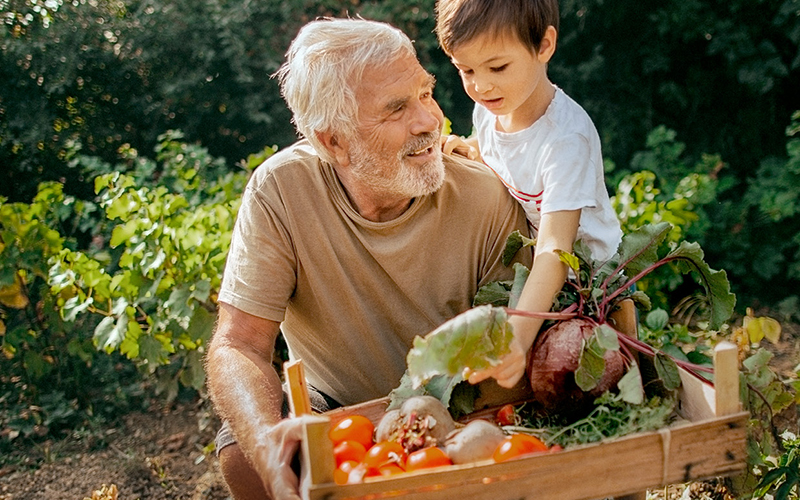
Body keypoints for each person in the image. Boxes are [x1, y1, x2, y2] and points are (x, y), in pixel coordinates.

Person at [204, 17, 532, 500]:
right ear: (332, 141)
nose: (428, 120)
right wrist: (265, 441)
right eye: (397, 108)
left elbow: (507, 359)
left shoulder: (483, 197)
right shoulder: (281, 191)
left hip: (457, 401)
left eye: (425, 93)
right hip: (333, 401)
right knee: (242, 454)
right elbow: (239, 344)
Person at [435, 0, 624, 390]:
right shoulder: (490, 112)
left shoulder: (565, 140)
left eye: (497, 67)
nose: (481, 85)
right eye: (466, 70)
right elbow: (505, 156)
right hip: (544, 276)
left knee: (616, 375)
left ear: (544, 46)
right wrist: (471, 149)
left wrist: (520, 333)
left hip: (597, 276)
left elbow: (557, 246)